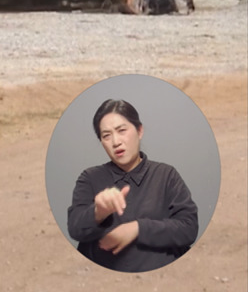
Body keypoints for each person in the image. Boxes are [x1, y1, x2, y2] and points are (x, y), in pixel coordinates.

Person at [66, 99, 199, 272]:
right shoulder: (90, 177)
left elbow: (188, 228)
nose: (116, 142)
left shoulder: (166, 175)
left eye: (122, 131)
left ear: (139, 130)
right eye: (106, 136)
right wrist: (98, 212)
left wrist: (137, 228)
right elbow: (75, 229)